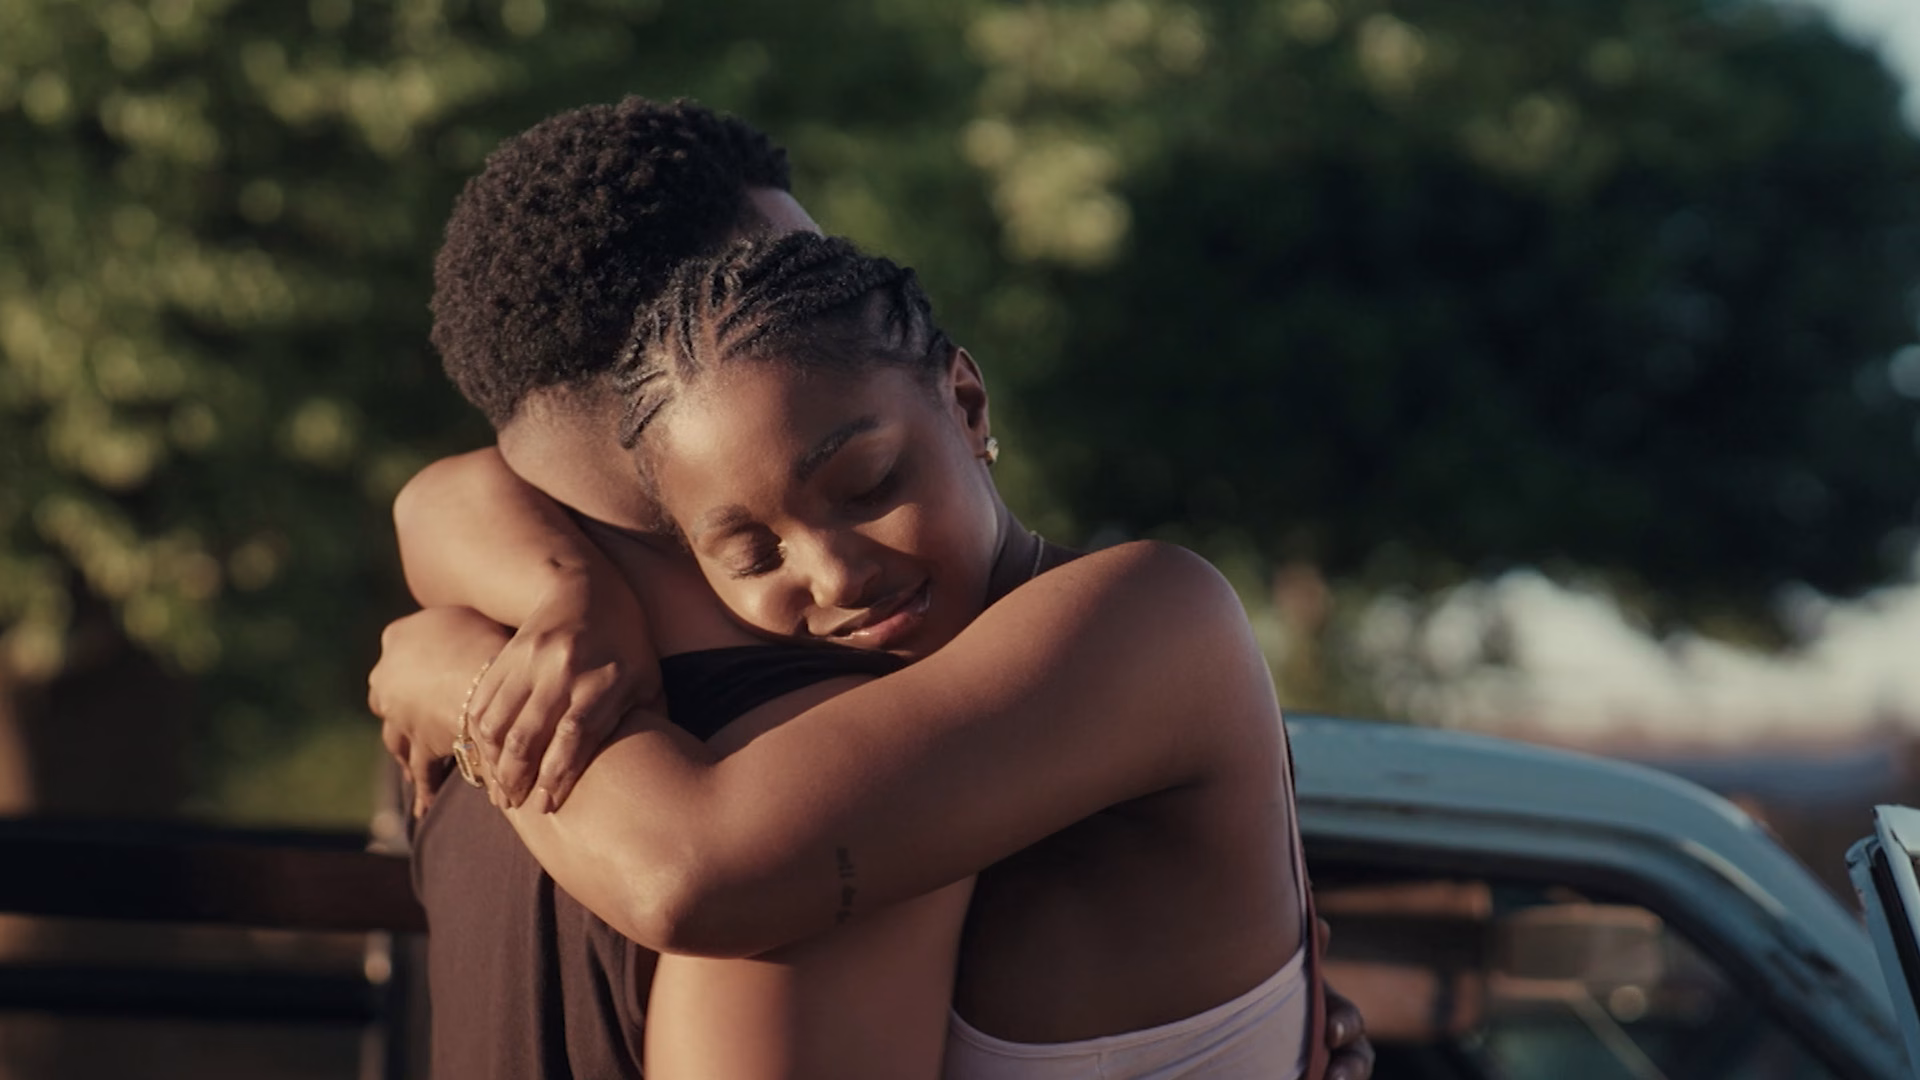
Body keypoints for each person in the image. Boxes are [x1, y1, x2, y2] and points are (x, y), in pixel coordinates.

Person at [375, 229, 1364, 1077]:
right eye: (751, 554)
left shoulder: (1152, 615)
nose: (833, 574)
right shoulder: (907, 758)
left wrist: (463, 680)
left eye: (868, 484)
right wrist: (565, 595)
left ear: (967, 404)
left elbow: (692, 874)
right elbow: (477, 485)